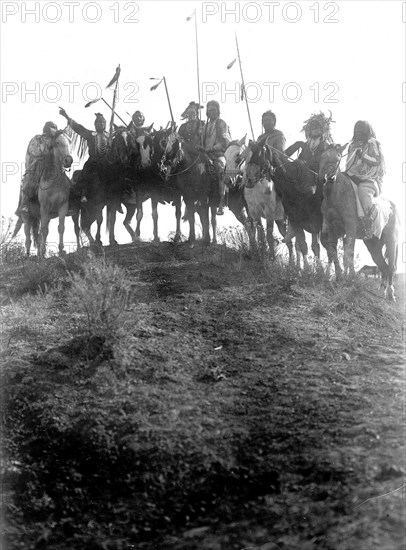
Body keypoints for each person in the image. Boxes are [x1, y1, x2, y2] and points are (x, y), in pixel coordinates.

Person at [59, 108, 109, 203]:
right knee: (84, 174)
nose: (100, 124)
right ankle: (83, 194)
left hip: (106, 162)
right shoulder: (90, 134)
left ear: (105, 124)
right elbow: (78, 128)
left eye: (102, 123)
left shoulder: (109, 136)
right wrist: (66, 116)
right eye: (98, 123)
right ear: (95, 124)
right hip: (93, 162)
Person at [345, 120, 385, 238]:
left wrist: (363, 155)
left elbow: (377, 161)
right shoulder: (352, 145)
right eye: (356, 129)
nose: (357, 132)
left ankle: (369, 221)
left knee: (363, 191)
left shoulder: (372, 143)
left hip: (369, 179)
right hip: (352, 175)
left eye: (360, 129)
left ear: (366, 131)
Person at [17, 121, 58, 215]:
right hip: (36, 164)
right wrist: (45, 154)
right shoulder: (37, 138)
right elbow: (32, 151)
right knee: (29, 182)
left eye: (55, 129)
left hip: (51, 166)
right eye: (52, 128)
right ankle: (25, 204)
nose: (53, 131)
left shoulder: (55, 140)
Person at [200, 100, 231, 215]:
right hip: (205, 154)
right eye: (209, 110)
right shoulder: (205, 126)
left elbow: (224, 142)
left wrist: (212, 149)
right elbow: (202, 141)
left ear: (218, 111)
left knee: (220, 170)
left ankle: (221, 202)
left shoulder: (222, 124)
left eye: (213, 110)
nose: (211, 112)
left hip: (218, 154)